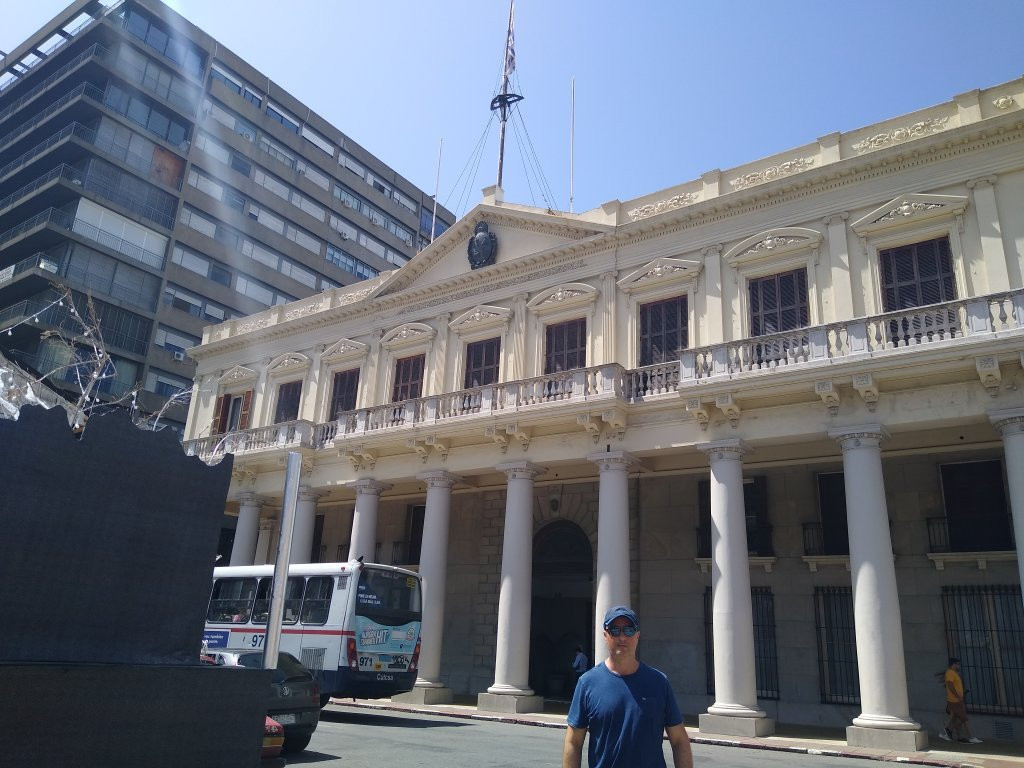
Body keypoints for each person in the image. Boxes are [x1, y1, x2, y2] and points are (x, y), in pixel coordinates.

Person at [563, 605, 692, 768]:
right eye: (615, 630)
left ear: (637, 636)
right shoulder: (587, 683)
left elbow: (680, 741)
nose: (622, 637)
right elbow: (573, 742)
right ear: (605, 635)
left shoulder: (659, 682)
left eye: (629, 630)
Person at [939, 657, 982, 744]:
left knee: (956, 718)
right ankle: (970, 737)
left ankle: (952, 732)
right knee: (964, 719)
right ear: (953, 664)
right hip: (955, 700)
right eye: (957, 664)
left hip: (957, 699)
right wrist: (957, 695)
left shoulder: (953, 673)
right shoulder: (950, 672)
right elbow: (950, 685)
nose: (959, 666)